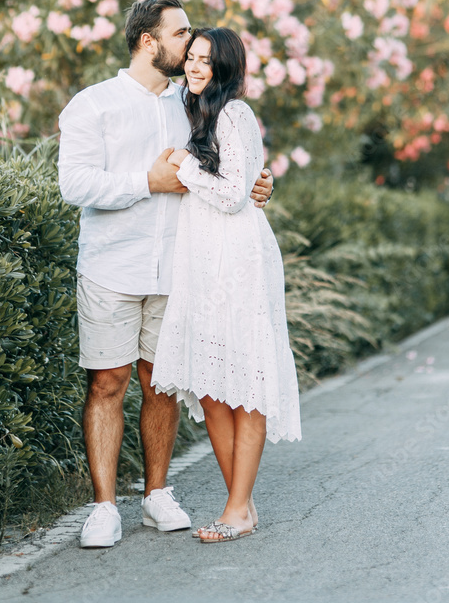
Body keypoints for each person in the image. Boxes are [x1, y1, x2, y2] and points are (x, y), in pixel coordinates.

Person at [57, 0, 274, 549]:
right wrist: (146, 181)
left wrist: (259, 182)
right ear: (150, 41)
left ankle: (157, 494)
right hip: (112, 263)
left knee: (164, 385)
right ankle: (104, 506)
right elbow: (75, 185)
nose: (190, 45)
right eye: (181, 35)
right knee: (107, 383)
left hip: (184, 267)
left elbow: (230, 163)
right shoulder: (94, 105)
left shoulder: (195, 101)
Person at [151, 27, 302, 544]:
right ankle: (243, 503)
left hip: (237, 259)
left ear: (226, 68)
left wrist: (185, 166)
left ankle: (236, 510)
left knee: (246, 387)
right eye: (191, 58)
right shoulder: (192, 109)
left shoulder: (236, 113)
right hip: (199, 259)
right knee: (213, 388)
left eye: (206, 61)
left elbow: (237, 194)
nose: (195, 67)